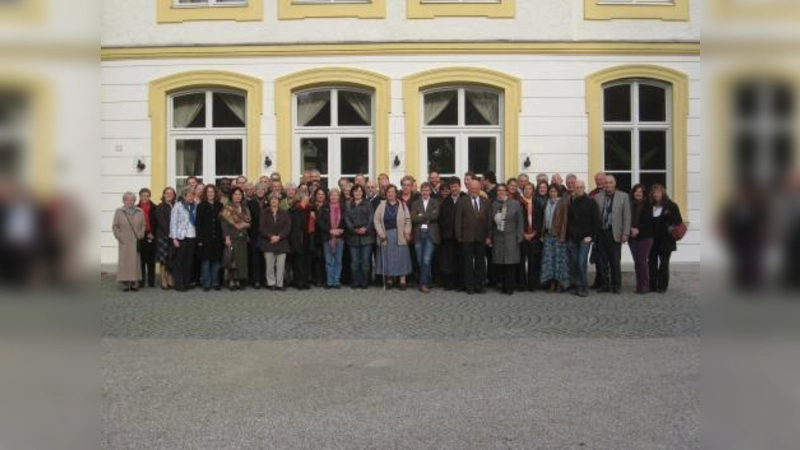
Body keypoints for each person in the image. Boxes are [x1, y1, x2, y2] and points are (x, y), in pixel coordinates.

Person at [594, 175, 631, 294]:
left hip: (615, 232)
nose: (608, 185)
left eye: (610, 183)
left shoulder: (623, 196)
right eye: (606, 183)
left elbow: (627, 216)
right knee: (602, 261)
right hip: (601, 233)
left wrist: (625, 233)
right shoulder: (597, 197)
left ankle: (616, 285)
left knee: (615, 261)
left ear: (615, 184)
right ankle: (605, 285)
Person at [455, 180, 492, 295]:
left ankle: (479, 285)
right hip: (467, 237)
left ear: (480, 188)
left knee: (480, 262)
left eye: (476, 188)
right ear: (468, 188)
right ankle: (469, 286)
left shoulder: (486, 201)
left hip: (481, 237)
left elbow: (489, 220)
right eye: (472, 188)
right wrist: (459, 236)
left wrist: (489, 236)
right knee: (468, 263)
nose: (474, 190)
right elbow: (458, 220)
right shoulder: (462, 201)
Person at [374, 185, 413, 290]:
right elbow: (376, 220)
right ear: (386, 194)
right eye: (388, 192)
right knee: (388, 257)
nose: (390, 194)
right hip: (386, 235)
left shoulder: (402, 205)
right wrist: (381, 233)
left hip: (400, 235)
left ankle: (402, 280)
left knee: (402, 257)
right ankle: (390, 279)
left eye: (392, 192)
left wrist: (407, 231)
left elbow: (408, 220)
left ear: (396, 193)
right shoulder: (381, 205)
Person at [566, 180, 600, 297]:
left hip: (585, 238)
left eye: (581, 187)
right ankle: (576, 285)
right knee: (574, 263)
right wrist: (568, 237)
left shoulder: (591, 202)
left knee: (581, 263)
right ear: (574, 188)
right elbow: (568, 221)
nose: (579, 189)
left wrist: (591, 236)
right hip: (572, 238)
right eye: (577, 187)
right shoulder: (572, 202)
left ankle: (583, 287)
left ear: (584, 188)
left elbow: (596, 222)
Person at [490, 184, 524, 295]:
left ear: (507, 192)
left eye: (502, 190)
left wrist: (519, 236)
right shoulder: (494, 204)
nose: (500, 193)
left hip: (511, 237)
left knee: (510, 263)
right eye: (498, 191)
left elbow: (520, 221)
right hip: (498, 237)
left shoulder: (515, 204)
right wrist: (490, 237)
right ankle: (502, 285)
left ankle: (510, 287)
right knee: (501, 262)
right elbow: (490, 223)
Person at [649, 184, 683, 293]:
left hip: (666, 240)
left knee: (664, 263)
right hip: (652, 240)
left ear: (663, 193)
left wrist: (668, 215)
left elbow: (678, 221)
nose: (656, 194)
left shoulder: (671, 205)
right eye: (654, 192)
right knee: (651, 263)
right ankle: (652, 285)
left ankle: (662, 286)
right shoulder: (650, 206)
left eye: (658, 192)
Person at [112, 192, 146, 291]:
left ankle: (135, 282)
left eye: (132, 200)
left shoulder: (140, 211)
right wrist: (119, 236)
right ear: (124, 201)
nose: (130, 201)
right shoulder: (119, 211)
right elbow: (115, 226)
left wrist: (141, 234)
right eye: (127, 199)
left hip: (136, 240)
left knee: (135, 262)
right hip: (124, 241)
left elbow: (143, 225)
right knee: (125, 262)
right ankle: (125, 283)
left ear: (134, 201)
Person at [410, 182, 440, 293]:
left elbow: (435, 215)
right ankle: (428, 280)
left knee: (426, 260)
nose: (425, 192)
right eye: (423, 190)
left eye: (427, 190)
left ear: (430, 192)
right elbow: (413, 218)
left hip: (430, 234)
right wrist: (427, 217)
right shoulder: (415, 203)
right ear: (420, 191)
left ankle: (423, 284)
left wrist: (421, 215)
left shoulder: (435, 203)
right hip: (418, 234)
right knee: (420, 260)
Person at [344, 184, 376, 289]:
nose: (357, 193)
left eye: (359, 191)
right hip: (352, 237)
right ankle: (355, 282)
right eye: (355, 191)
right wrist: (354, 230)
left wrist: (365, 229)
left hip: (367, 237)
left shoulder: (368, 204)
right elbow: (347, 219)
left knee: (366, 262)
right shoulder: (348, 205)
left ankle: (364, 282)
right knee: (354, 262)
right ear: (352, 192)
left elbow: (371, 219)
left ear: (363, 193)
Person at [540, 184, 570, 293]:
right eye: (551, 191)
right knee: (549, 261)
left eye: (554, 191)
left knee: (559, 261)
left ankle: (559, 284)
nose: (552, 193)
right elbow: (544, 220)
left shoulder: (562, 203)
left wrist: (562, 236)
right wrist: (542, 234)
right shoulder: (547, 202)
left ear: (558, 192)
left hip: (558, 236)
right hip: (548, 235)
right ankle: (551, 282)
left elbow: (565, 221)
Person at [221, 187, 251, 291]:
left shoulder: (245, 207)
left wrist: (244, 225)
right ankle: (231, 281)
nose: (238, 196)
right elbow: (224, 224)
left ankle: (239, 280)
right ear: (231, 196)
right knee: (232, 260)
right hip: (232, 237)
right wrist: (227, 238)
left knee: (241, 260)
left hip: (242, 237)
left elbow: (249, 222)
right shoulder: (227, 208)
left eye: (239, 194)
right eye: (235, 194)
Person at [196, 185, 224, 291]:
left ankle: (215, 282)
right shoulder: (201, 206)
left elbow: (223, 222)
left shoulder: (220, 205)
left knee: (216, 262)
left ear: (215, 193)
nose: (210, 194)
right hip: (205, 238)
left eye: (212, 192)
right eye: (208, 192)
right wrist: (199, 239)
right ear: (205, 194)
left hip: (217, 238)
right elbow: (198, 224)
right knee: (206, 261)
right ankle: (206, 284)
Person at [439, 176, 465, 291]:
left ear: (460, 186)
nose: (453, 189)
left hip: (461, 236)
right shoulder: (446, 201)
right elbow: (442, 218)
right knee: (449, 260)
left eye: (455, 186)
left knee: (460, 260)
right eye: (452, 187)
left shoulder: (465, 199)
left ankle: (460, 283)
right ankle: (450, 283)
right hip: (448, 236)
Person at [260, 193, 291, 290]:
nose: (274, 201)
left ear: (279, 201)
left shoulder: (284, 212)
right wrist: (271, 236)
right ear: (269, 201)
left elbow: (288, 227)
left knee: (281, 265)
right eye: (272, 199)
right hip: (268, 242)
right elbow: (262, 228)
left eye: (276, 199)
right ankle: (271, 283)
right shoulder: (264, 212)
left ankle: (280, 283)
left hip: (282, 242)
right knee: (269, 265)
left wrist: (279, 237)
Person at [170, 187, 198, 292]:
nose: (191, 197)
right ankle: (179, 284)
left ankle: (187, 282)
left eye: (193, 195)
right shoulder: (178, 206)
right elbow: (173, 222)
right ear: (184, 196)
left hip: (192, 236)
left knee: (189, 261)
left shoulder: (195, 206)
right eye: (189, 195)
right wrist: (174, 238)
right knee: (179, 262)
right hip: (181, 237)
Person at [317, 189, 346, 289]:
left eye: (336, 195)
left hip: (340, 237)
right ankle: (329, 281)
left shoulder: (343, 208)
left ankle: (336, 281)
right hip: (327, 237)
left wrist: (340, 230)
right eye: (332, 195)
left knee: (338, 260)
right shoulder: (324, 208)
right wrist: (330, 230)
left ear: (339, 197)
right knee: (329, 261)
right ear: (329, 197)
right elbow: (320, 222)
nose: (334, 197)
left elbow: (346, 221)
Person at [628, 184, 654, 294]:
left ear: (644, 193)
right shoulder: (630, 204)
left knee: (642, 261)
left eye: (640, 191)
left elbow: (648, 221)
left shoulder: (648, 204)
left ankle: (645, 285)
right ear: (633, 193)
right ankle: (639, 285)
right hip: (632, 236)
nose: (638, 193)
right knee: (636, 261)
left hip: (645, 236)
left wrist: (638, 229)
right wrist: (630, 229)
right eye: (636, 191)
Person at [519, 182, 543, 292]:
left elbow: (540, 220)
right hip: (522, 236)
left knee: (533, 262)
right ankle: (522, 285)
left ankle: (532, 285)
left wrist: (533, 233)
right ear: (523, 190)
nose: (528, 191)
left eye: (530, 189)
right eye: (526, 189)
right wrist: (523, 234)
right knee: (521, 262)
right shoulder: (519, 203)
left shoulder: (538, 203)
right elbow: (517, 221)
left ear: (533, 191)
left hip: (534, 236)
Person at [289, 192, 315, 290]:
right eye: (306, 198)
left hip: (308, 237)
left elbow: (312, 225)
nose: (308, 199)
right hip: (297, 238)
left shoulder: (310, 209)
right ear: (301, 199)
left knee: (307, 261)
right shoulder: (293, 210)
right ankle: (298, 281)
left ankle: (305, 281)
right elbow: (292, 226)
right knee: (298, 261)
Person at [154, 187, 176, 290]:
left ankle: (170, 277)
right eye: (167, 193)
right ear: (163, 195)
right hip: (163, 236)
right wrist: (171, 233)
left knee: (171, 258)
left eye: (171, 193)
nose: (169, 195)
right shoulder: (160, 207)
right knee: (163, 260)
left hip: (174, 236)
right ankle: (163, 279)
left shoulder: (176, 205)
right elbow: (162, 223)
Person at [247, 182, 267, 289]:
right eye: (258, 190)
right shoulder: (250, 203)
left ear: (265, 191)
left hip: (266, 235)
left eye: (262, 190)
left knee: (265, 258)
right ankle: (256, 280)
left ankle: (264, 279)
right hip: (254, 234)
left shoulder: (268, 202)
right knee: (254, 258)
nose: (260, 191)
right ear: (255, 191)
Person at [137, 187, 157, 288]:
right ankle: (141, 281)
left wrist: (153, 233)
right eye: (143, 195)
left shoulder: (155, 207)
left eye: (147, 195)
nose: (145, 197)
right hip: (140, 236)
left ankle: (151, 281)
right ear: (140, 197)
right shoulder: (136, 208)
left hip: (152, 236)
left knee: (151, 260)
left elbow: (157, 223)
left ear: (150, 196)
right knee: (141, 260)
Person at [310, 188, 328, 287]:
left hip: (325, 235)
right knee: (316, 258)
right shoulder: (311, 207)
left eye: (322, 194)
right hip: (314, 236)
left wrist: (316, 219)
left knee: (324, 259)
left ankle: (324, 279)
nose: (320, 196)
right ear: (315, 195)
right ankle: (316, 279)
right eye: (318, 194)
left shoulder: (328, 206)